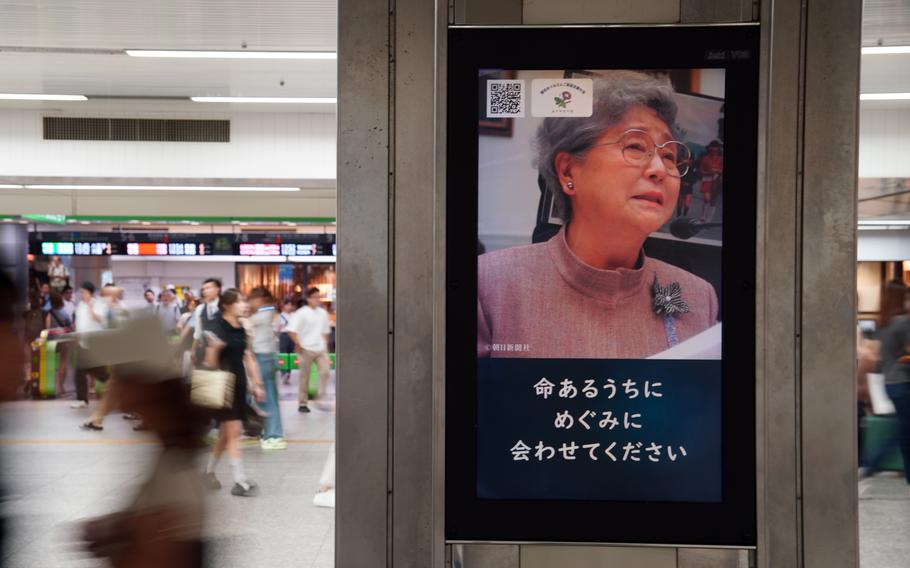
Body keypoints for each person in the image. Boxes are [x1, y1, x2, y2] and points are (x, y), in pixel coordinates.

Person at [478, 71, 718, 360]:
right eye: (635, 146)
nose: (659, 168)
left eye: (669, 155)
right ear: (568, 171)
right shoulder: (491, 284)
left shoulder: (698, 296)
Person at [201, 289, 265, 496]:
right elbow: (208, 362)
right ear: (226, 305)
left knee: (225, 435)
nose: (244, 305)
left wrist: (256, 383)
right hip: (219, 384)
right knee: (234, 431)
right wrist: (215, 349)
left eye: (244, 301)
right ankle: (240, 480)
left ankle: (208, 472)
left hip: (236, 384)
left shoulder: (241, 329)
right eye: (239, 302)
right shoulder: (215, 327)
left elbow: (248, 357)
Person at [863, 281, 910, 483]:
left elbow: (881, 361)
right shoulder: (903, 321)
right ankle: (872, 463)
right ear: (902, 298)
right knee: (903, 431)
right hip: (903, 381)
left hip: (890, 383)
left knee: (903, 429)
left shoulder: (884, 322)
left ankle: (873, 464)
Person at [248, 288, 286, 450]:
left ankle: (273, 435)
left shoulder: (265, 312)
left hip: (262, 358)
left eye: (252, 299)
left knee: (266, 397)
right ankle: (267, 432)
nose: (249, 302)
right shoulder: (268, 311)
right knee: (264, 397)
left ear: (260, 299)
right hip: (266, 357)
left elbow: (253, 320)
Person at [288, 287, 331, 413]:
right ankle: (303, 403)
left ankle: (320, 397)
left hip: (320, 348)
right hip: (305, 348)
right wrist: (297, 343)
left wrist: (325, 344)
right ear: (308, 299)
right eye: (315, 297)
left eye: (319, 296)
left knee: (325, 372)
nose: (317, 299)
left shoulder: (323, 313)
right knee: (304, 377)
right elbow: (291, 331)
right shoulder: (301, 313)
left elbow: (325, 331)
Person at [71, 281, 109, 410]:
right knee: (79, 373)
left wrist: (89, 305)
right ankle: (82, 399)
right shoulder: (80, 305)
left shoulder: (98, 304)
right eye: (81, 292)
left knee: (101, 374)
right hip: (83, 344)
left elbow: (98, 319)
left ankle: (121, 393)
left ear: (90, 292)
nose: (81, 295)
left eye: (83, 292)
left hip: (95, 345)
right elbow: (79, 323)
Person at [45, 292, 73, 395]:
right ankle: (60, 386)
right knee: (63, 362)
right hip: (63, 340)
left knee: (50, 363)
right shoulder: (64, 313)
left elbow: (47, 328)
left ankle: (50, 385)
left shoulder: (49, 314)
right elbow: (70, 328)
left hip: (51, 342)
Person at [192, 278, 222, 367]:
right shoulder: (200, 309)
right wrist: (193, 350)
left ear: (217, 289)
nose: (205, 291)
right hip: (206, 349)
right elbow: (198, 332)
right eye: (203, 289)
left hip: (224, 351)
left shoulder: (225, 306)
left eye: (208, 288)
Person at [697, 140, 723, 222]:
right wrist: (708, 172)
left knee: (713, 200)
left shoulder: (721, 159)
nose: (713, 150)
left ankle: (709, 219)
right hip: (707, 180)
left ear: (718, 149)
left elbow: (722, 171)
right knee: (706, 198)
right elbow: (701, 170)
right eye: (712, 148)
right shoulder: (705, 158)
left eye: (715, 149)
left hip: (717, 180)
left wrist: (717, 171)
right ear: (709, 149)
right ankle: (703, 216)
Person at [277, 298, 296, 384]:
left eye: (290, 304)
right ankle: (283, 372)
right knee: (283, 355)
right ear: (283, 306)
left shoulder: (294, 315)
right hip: (283, 336)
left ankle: (288, 373)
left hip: (292, 336)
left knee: (290, 354)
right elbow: (277, 328)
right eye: (287, 304)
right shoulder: (280, 316)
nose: (289, 306)